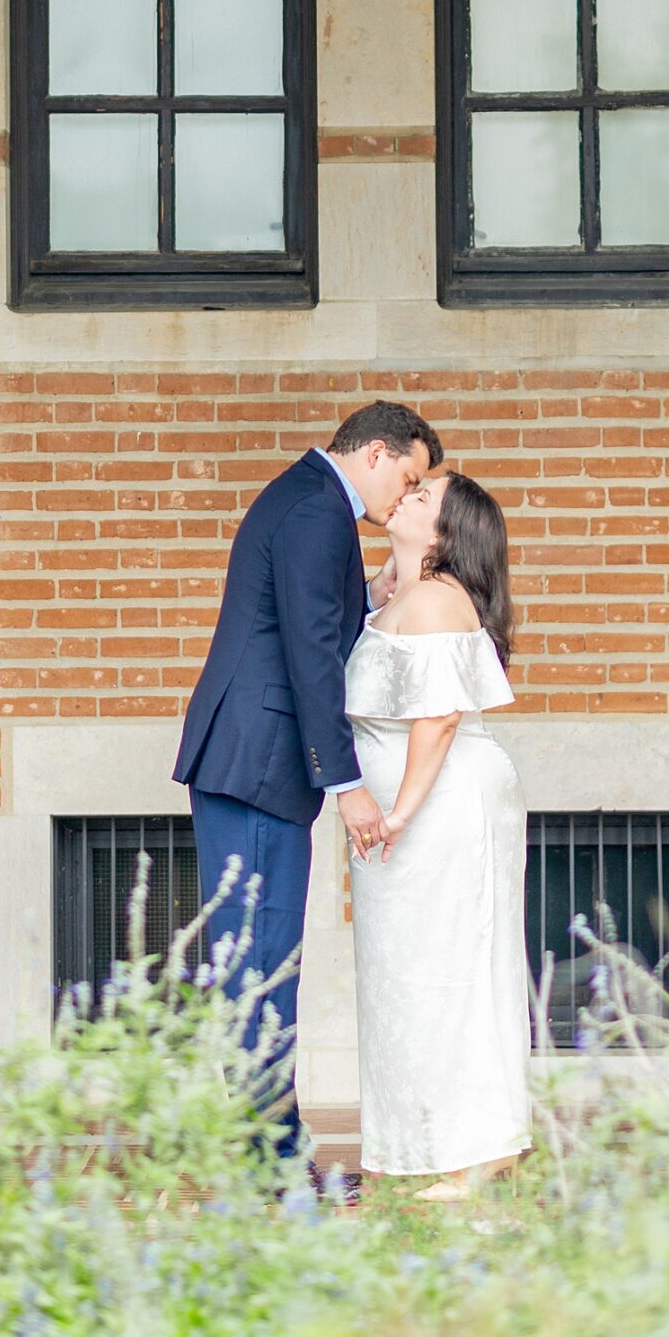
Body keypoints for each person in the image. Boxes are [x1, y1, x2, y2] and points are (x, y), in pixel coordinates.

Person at [173, 399, 444, 1176]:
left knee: (254, 963)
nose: (402, 496)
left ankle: (265, 1153)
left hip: (247, 760)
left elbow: (308, 618)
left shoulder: (306, 499)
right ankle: (274, 1164)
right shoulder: (317, 510)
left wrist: (370, 594)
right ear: (377, 454)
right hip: (259, 764)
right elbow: (309, 655)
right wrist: (348, 784)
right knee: (262, 965)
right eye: (408, 477)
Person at [345, 467, 529, 1197]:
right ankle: (426, 1144)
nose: (406, 495)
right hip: (411, 814)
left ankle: (474, 1150)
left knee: (451, 968)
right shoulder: (406, 593)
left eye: (423, 496)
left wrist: (398, 813)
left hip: (440, 809)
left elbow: (439, 716)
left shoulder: (434, 600)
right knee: (406, 974)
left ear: (447, 532)